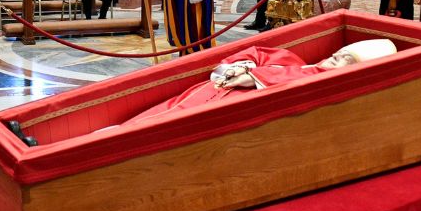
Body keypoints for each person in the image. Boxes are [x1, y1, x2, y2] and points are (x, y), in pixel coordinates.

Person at [121, 39, 397, 126]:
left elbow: (312, 81)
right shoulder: (293, 61)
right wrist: (244, 67)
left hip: (225, 112)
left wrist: (254, 78)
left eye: (342, 60)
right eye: (336, 54)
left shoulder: (317, 83)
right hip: (212, 91)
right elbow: (257, 53)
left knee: (164, 123)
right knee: (163, 109)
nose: (332, 59)